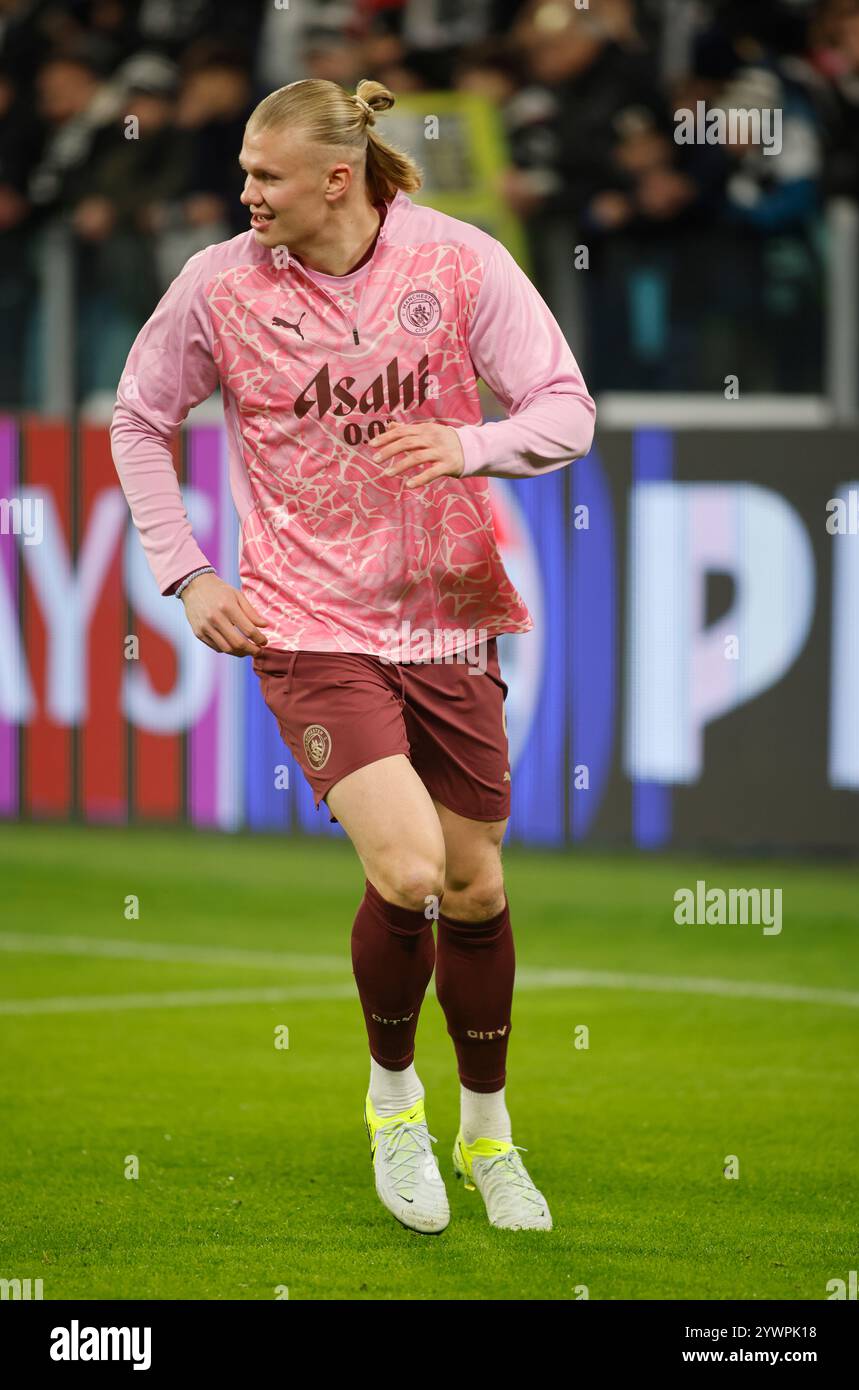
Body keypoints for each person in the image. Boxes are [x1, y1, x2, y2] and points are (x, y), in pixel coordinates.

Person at [111, 76, 595, 1235]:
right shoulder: (219, 284)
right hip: (308, 624)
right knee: (412, 869)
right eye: (244, 172)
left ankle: (489, 1135)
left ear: (339, 178)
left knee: (477, 885)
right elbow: (140, 415)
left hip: (448, 616)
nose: (245, 194)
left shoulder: (458, 262)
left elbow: (567, 407)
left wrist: (472, 443)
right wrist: (188, 571)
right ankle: (392, 1104)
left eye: (265, 175)